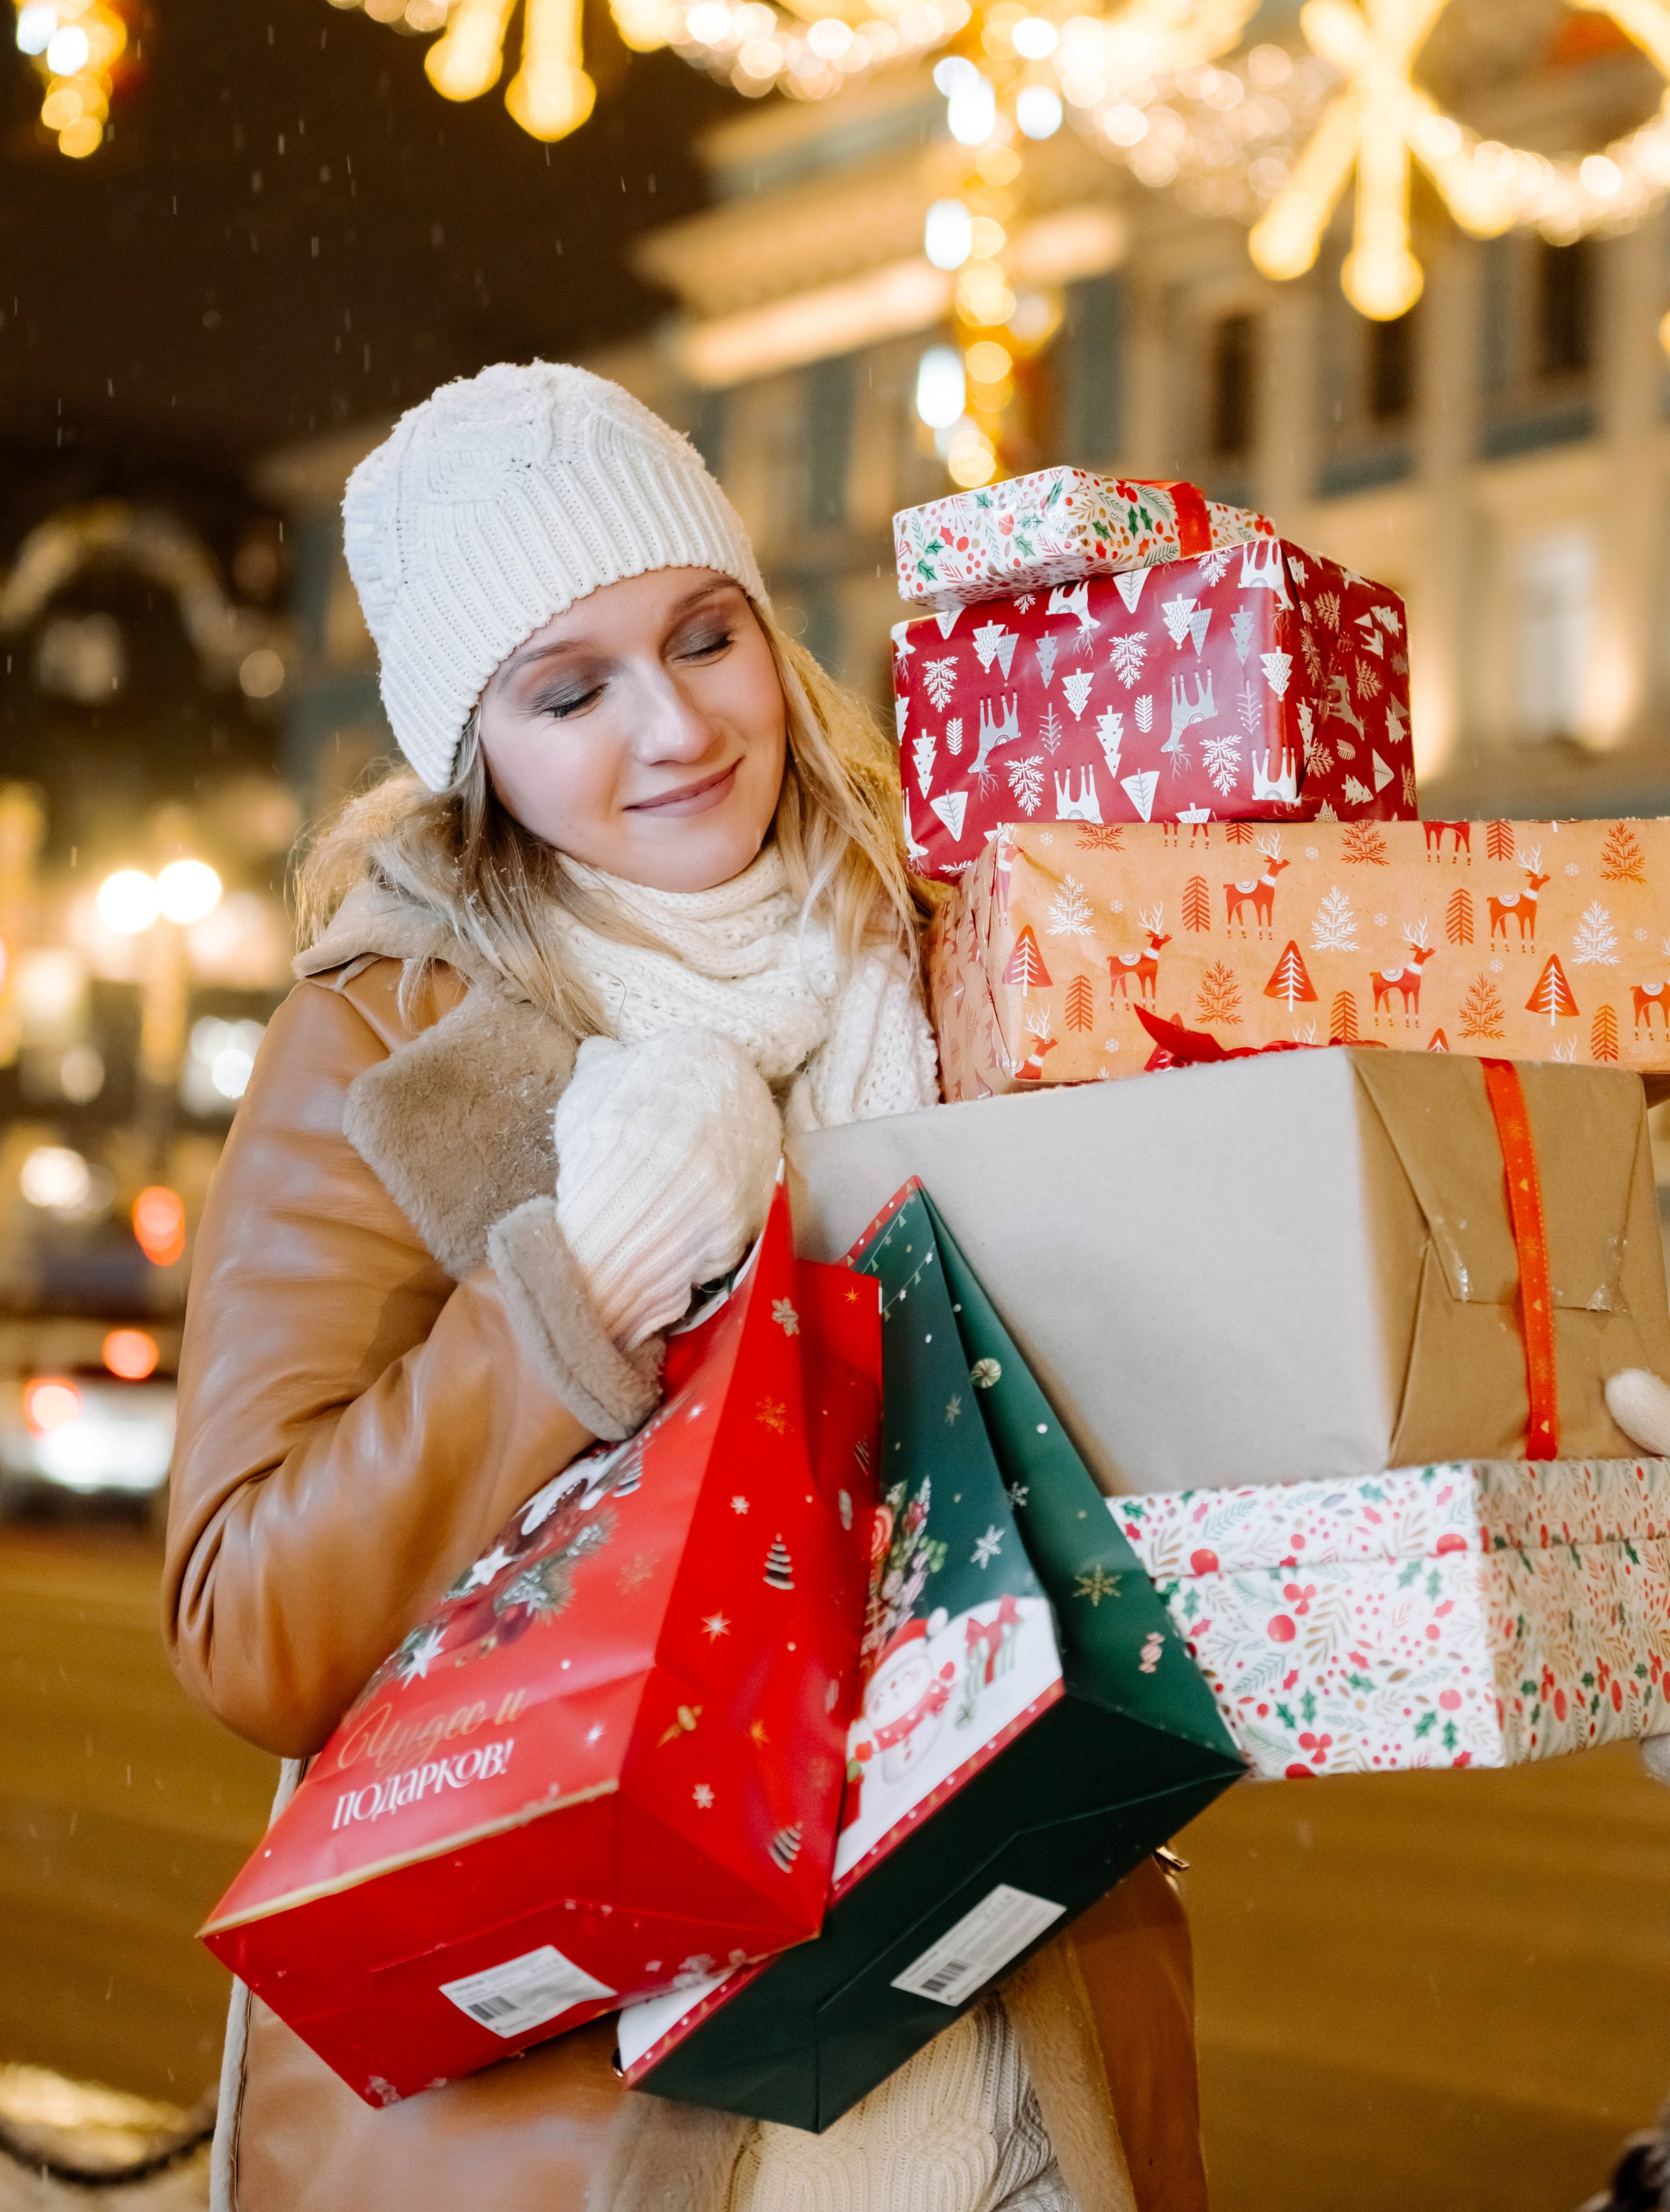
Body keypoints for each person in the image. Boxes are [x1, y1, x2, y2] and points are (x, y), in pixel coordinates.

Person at [164, 362, 1208, 2212]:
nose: (675, 727)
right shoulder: (385, 1034)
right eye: (572, 690)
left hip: (991, 1978)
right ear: (474, 743)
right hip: (588, 2068)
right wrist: (578, 1288)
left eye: (704, 635)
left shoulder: (968, 947)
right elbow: (250, 1618)